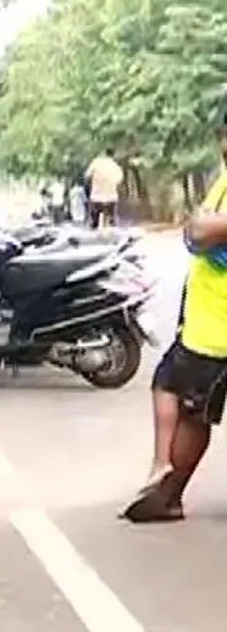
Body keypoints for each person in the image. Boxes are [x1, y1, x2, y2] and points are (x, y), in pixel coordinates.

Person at [122, 119, 227, 523]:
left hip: (216, 327)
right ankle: (164, 480)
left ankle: (166, 485)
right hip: (206, 317)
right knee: (181, 397)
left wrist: (199, 226)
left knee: (187, 402)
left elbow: (201, 229)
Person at [85, 148, 124, 228]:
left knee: (94, 219)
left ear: (104, 153)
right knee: (113, 217)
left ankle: (93, 225)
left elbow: (87, 175)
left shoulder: (96, 162)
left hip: (96, 196)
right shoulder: (115, 166)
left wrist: (92, 183)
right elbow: (119, 180)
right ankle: (114, 225)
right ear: (114, 155)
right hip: (111, 196)